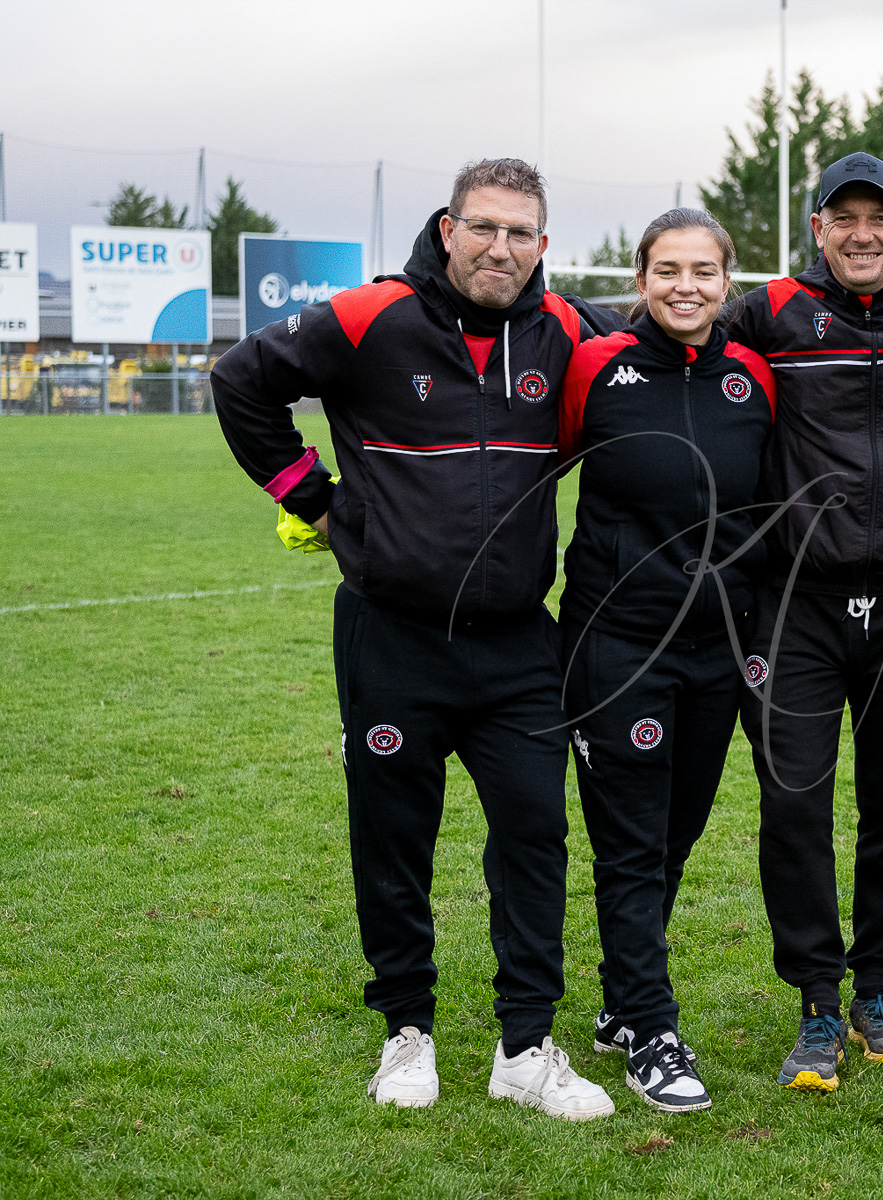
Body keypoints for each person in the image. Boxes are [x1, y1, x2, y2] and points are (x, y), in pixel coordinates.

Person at [212, 158, 615, 1120]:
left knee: (536, 836)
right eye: (484, 228)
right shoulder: (370, 317)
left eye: (522, 233)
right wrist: (313, 500)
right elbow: (239, 381)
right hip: (391, 636)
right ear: (447, 229)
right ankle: (408, 1030)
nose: (501, 248)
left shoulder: (564, 330)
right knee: (393, 836)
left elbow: (657, 352)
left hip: (519, 643)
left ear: (544, 247)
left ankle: (526, 1046)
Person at [726, 152, 883, 1091]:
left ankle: (877, 986)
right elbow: (669, 344)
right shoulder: (770, 313)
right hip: (794, 606)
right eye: (843, 217)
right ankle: (817, 1001)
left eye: (881, 216)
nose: (862, 233)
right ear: (817, 228)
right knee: (793, 806)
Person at [558, 209, 775, 1113]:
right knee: (632, 844)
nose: (685, 286)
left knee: (677, 833)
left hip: (716, 648)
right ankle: (651, 1025)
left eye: (703, 270)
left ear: (729, 282)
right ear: (640, 278)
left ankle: (618, 1000)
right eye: (666, 270)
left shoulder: (753, 376)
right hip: (618, 644)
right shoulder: (593, 368)